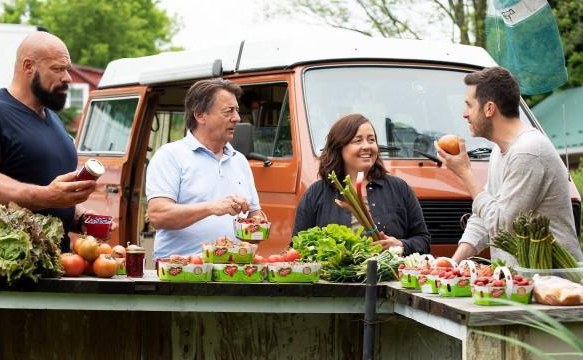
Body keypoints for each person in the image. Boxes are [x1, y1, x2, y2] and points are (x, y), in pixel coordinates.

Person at [0, 31, 100, 253]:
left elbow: (46, 190)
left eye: (67, 69)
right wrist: (49, 196)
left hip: (55, 263)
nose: (68, 78)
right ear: (28, 67)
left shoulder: (54, 120)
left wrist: (80, 216)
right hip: (4, 266)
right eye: (58, 69)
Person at [435, 66, 583, 264]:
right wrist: (453, 263)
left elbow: (502, 225)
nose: (464, 114)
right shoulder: (501, 150)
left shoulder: (528, 152)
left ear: (489, 109)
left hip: (551, 283)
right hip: (521, 283)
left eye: (469, 106)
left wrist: (465, 174)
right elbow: (484, 217)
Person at [146, 79, 262, 259]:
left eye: (237, 110)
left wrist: (257, 225)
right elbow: (158, 215)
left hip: (233, 271)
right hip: (183, 273)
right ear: (200, 115)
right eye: (228, 111)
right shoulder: (170, 155)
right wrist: (212, 207)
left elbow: (255, 216)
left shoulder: (240, 160)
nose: (237, 118)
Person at [293, 114, 431, 255]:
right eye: (357, 141)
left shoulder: (399, 188)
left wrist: (401, 245)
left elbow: (423, 240)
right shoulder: (317, 193)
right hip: (334, 277)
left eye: (371, 140)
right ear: (339, 147)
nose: (367, 146)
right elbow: (297, 246)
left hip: (390, 275)